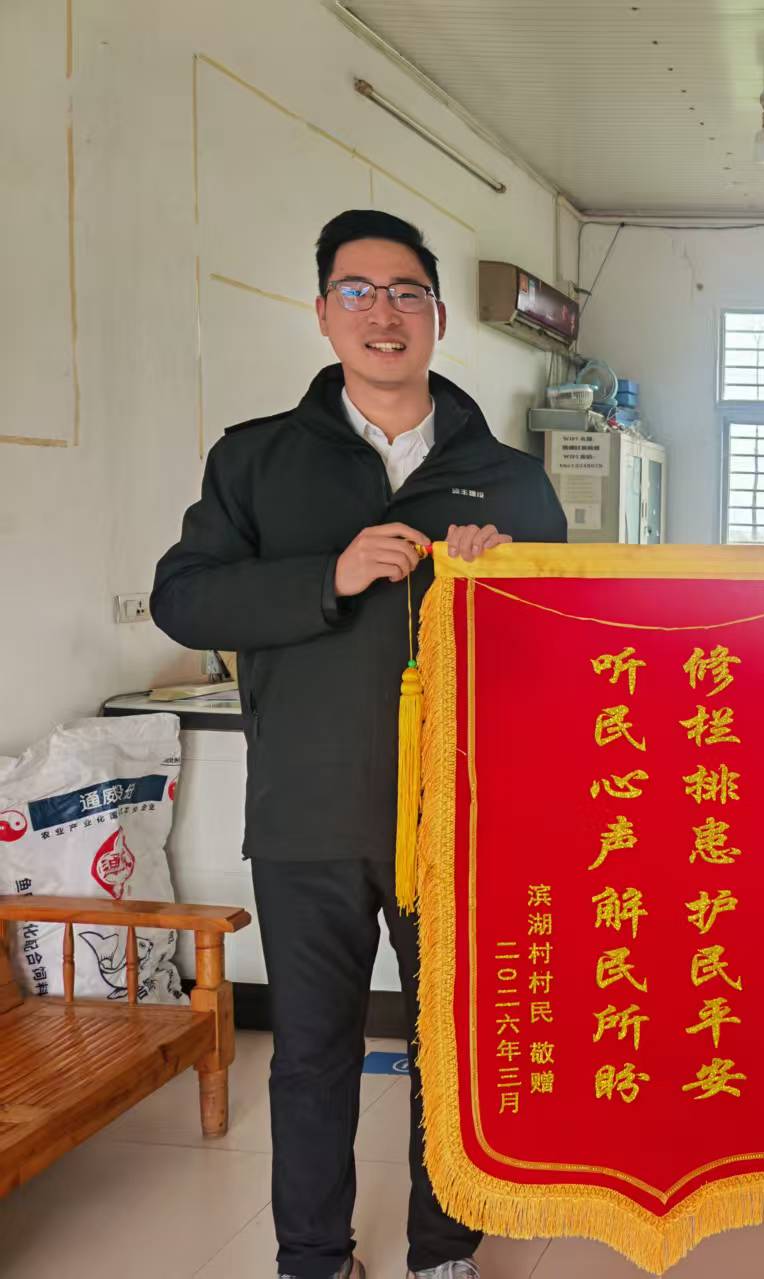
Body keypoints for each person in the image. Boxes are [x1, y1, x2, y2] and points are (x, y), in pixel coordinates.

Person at [153, 210, 568, 1279]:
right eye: (358, 291)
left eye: (405, 293)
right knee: (310, 1055)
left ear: (439, 316)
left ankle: (443, 1253)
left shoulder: (510, 480)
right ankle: (311, 1257)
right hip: (309, 814)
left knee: (452, 1052)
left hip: (458, 819)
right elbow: (184, 600)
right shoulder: (255, 460)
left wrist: (499, 584)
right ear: (323, 312)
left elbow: (567, 648)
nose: (384, 313)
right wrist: (327, 578)